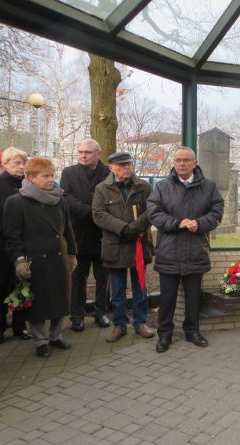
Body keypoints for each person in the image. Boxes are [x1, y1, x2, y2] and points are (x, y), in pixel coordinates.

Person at [147, 146, 224, 353]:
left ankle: (192, 332)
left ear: (195, 163)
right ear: (173, 163)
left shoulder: (209, 187)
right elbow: (153, 213)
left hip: (195, 251)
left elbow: (217, 212)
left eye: (186, 160)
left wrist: (199, 224)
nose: (182, 164)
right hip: (168, 252)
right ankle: (165, 335)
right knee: (167, 299)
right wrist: (177, 223)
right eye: (178, 160)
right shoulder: (162, 187)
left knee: (193, 298)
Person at [3, 157, 77, 357]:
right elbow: (12, 236)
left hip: (59, 258)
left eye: (52, 175)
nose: (51, 179)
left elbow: (67, 230)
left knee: (61, 299)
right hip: (35, 260)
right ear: (31, 177)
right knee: (39, 304)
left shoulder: (60, 200)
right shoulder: (16, 202)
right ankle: (41, 341)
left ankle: (56, 336)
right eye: (46, 176)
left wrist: (72, 254)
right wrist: (19, 261)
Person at [92, 152, 155, 343]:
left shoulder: (143, 186)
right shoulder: (102, 188)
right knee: (117, 291)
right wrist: (123, 228)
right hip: (115, 246)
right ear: (111, 168)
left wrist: (136, 227)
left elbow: (152, 210)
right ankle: (119, 325)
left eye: (128, 164)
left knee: (140, 287)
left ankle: (140, 322)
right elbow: (99, 214)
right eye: (120, 165)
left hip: (138, 245)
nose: (126, 168)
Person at [59, 138, 111, 331]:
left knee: (103, 279)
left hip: (103, 235)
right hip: (78, 235)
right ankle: (77, 316)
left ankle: (101, 312)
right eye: (80, 152)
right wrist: (91, 213)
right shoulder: (69, 172)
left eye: (87, 152)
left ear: (98, 153)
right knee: (77, 279)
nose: (83, 155)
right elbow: (65, 197)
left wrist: (100, 216)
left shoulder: (109, 173)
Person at [0, 147, 32, 344]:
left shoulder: (28, 185)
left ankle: (20, 325)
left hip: (24, 244)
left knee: (22, 285)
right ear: (5, 164)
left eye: (23, 163)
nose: (21, 166)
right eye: (16, 163)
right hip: (0, 246)